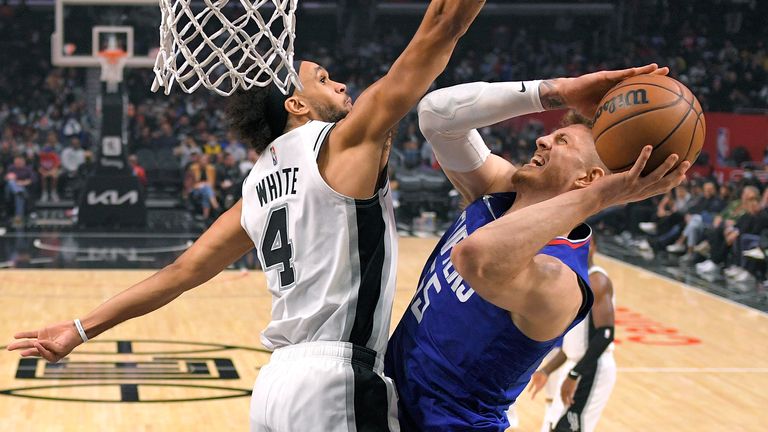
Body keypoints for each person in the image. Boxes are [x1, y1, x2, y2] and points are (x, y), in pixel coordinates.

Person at [7, 1, 487, 431]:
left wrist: (81, 328)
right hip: (334, 380)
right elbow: (441, 26)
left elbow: (179, 273)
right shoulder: (344, 143)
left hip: (275, 386)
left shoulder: (256, 185)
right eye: (323, 79)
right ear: (296, 104)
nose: (341, 84)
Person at [384, 65, 689, 432]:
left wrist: (601, 197)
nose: (543, 140)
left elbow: (475, 258)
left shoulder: (562, 280)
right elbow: (435, 115)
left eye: (562, 141)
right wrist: (556, 92)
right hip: (386, 403)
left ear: (589, 179)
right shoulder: (500, 190)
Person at [529, 237, 616, 432]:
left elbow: (605, 335)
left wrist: (575, 374)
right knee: (553, 427)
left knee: (570, 429)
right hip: (574, 367)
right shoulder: (575, 281)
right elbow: (574, 345)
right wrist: (546, 370)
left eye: (588, 244)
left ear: (594, 247)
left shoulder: (597, 280)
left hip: (591, 369)